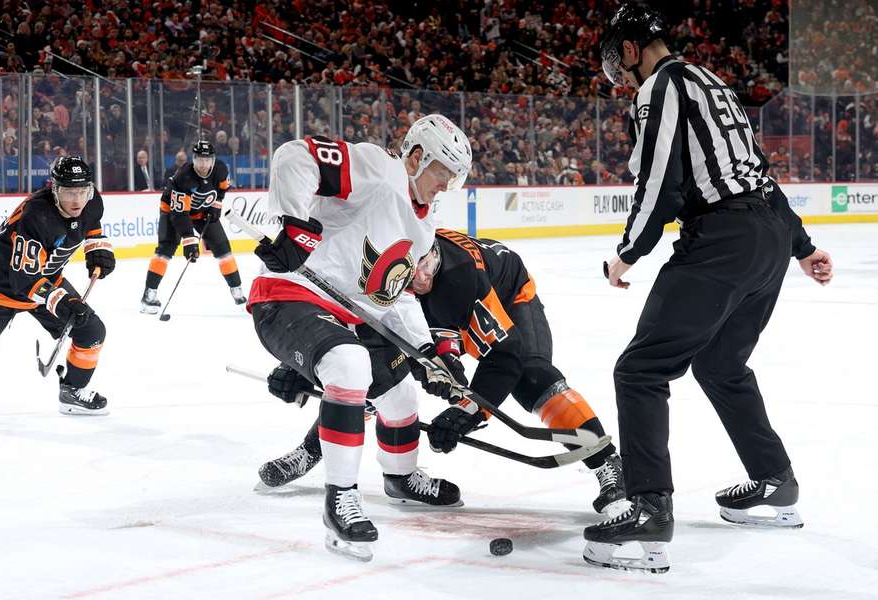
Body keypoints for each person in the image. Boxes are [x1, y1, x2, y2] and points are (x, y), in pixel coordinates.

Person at [583, 4, 834, 574]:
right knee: (721, 364)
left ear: (628, 49)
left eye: (620, 67)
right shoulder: (713, 81)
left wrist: (626, 253)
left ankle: (649, 508)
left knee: (641, 370)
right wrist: (800, 245)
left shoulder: (660, 86)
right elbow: (758, 172)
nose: (623, 82)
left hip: (721, 239)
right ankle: (775, 480)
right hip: (766, 234)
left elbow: (660, 183)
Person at [259, 229, 627, 515]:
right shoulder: (391, 275)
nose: (419, 278)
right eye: (411, 267)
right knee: (373, 372)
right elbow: (354, 345)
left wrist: (468, 414)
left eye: (427, 264)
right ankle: (312, 450)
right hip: (437, 318)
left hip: (506, 292)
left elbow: (505, 355)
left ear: (435, 252)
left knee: (531, 376)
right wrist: (302, 368)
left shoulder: (461, 278)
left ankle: (606, 461)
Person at [248, 114, 471, 562]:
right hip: (290, 293)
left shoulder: (422, 226)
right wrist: (296, 226)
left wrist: (428, 352)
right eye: (441, 173)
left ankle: (401, 478)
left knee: (403, 397)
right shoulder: (380, 167)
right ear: (415, 156)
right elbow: (294, 157)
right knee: (350, 363)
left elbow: (392, 295)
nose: (445, 186)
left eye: (454, 178)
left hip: (351, 313)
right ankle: (341, 498)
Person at [0, 156, 116, 415]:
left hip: (47, 277)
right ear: (54, 189)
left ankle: (72, 391)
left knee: (91, 331)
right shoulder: (37, 215)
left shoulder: (92, 201)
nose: (76, 200)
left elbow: (91, 225)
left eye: (81, 191)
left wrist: (97, 248)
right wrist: (63, 303)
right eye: (67, 192)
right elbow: (23, 281)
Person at [140, 140, 245, 312]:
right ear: (193, 159)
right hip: (172, 212)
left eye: (207, 160)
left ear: (213, 160)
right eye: (199, 160)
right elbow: (180, 214)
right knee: (165, 250)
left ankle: (238, 294)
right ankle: (148, 296)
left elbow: (222, 190)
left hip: (202, 212)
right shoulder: (183, 177)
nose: (203, 165)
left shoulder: (220, 169)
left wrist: (216, 206)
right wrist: (189, 240)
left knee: (223, 249)